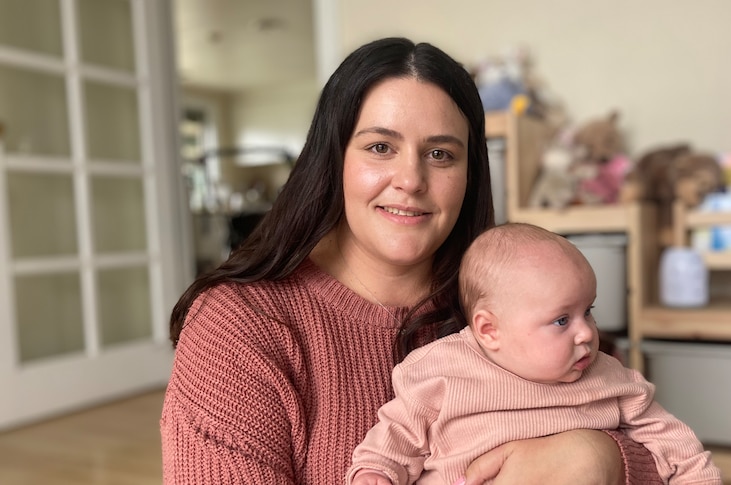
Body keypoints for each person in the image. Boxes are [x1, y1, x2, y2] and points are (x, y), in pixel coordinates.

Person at [161, 37, 663, 484]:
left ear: (471, 175)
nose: (411, 180)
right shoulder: (239, 326)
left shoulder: (519, 301)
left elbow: (657, 444)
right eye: (380, 147)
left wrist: (599, 458)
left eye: (441, 154)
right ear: (332, 159)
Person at [348, 223, 721, 485]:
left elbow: (675, 443)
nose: (586, 333)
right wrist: (376, 472)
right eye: (562, 320)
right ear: (489, 330)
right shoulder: (441, 371)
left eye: (587, 311)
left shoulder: (610, 377)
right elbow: (397, 434)